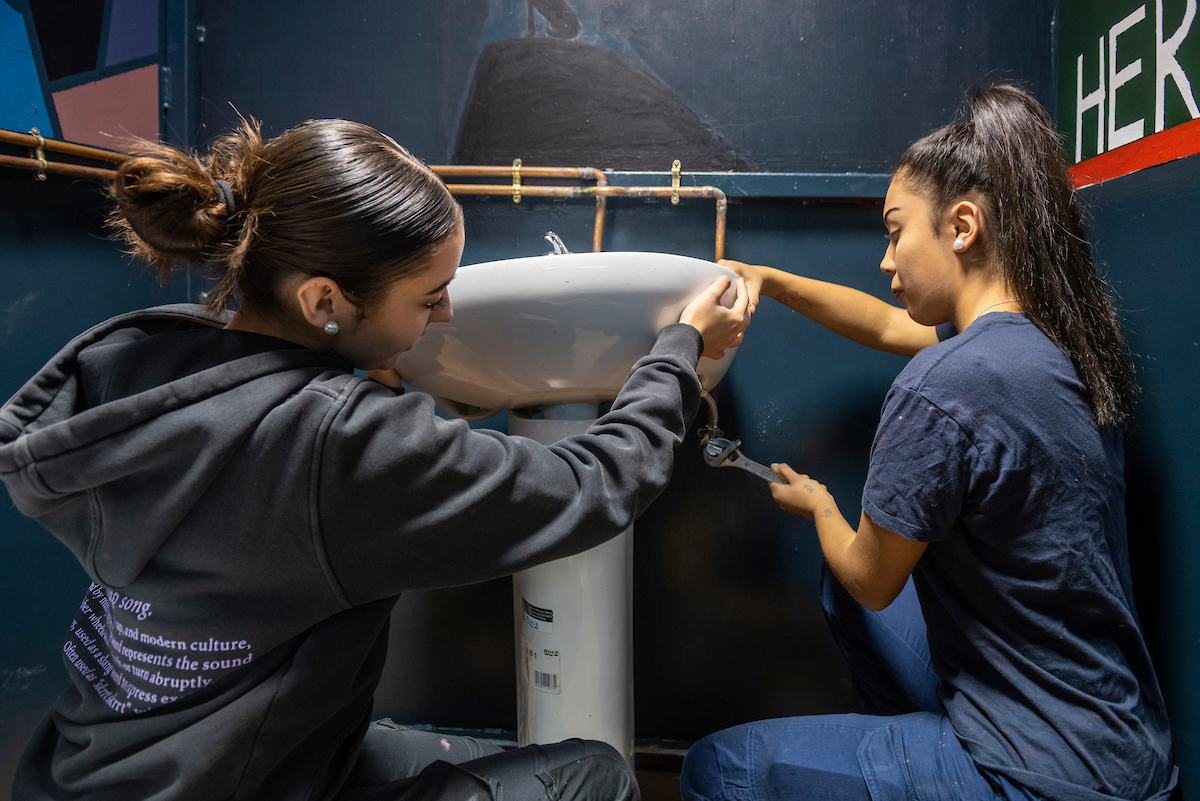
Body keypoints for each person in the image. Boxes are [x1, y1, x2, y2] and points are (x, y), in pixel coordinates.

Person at [0, 117, 750, 801]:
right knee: (595, 772)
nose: (446, 313)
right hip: (239, 784)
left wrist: (368, 392)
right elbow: (594, 485)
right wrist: (677, 348)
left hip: (95, 769)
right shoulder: (339, 444)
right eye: (428, 297)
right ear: (324, 299)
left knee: (400, 742)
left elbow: (299, 463)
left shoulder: (154, 362)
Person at [681, 85, 1178, 801]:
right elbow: (887, 325)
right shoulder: (1061, 339)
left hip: (1033, 774)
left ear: (962, 226)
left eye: (894, 231)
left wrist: (821, 505)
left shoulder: (939, 386)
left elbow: (871, 576)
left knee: (714, 768)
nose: (886, 260)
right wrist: (771, 279)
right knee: (850, 597)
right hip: (1122, 749)